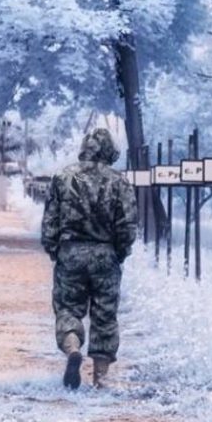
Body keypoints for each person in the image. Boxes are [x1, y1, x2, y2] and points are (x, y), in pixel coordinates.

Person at [40, 128, 137, 390]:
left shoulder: (62, 178)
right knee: (105, 314)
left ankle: (73, 348)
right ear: (109, 151)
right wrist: (119, 252)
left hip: (70, 253)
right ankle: (101, 380)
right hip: (105, 255)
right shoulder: (119, 181)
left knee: (68, 308)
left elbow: (50, 220)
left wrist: (53, 248)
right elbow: (127, 224)